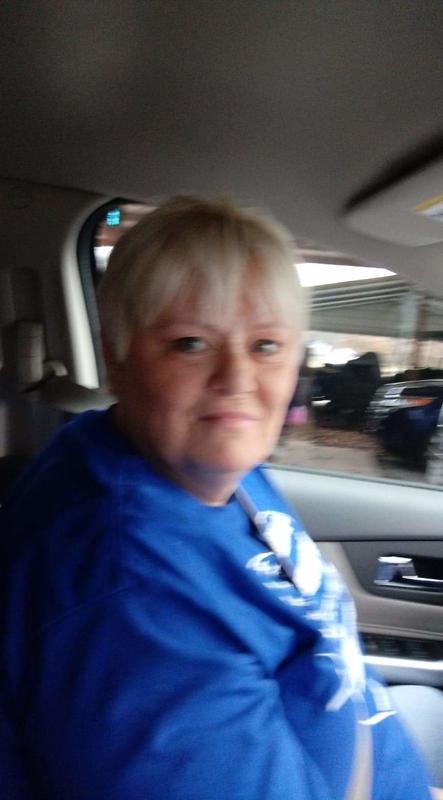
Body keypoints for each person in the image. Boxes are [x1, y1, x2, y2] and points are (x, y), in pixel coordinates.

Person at [0, 197, 440, 799]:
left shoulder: (200, 466)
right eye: (190, 343)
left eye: (266, 345)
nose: (237, 378)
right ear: (116, 359)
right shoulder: (132, 600)